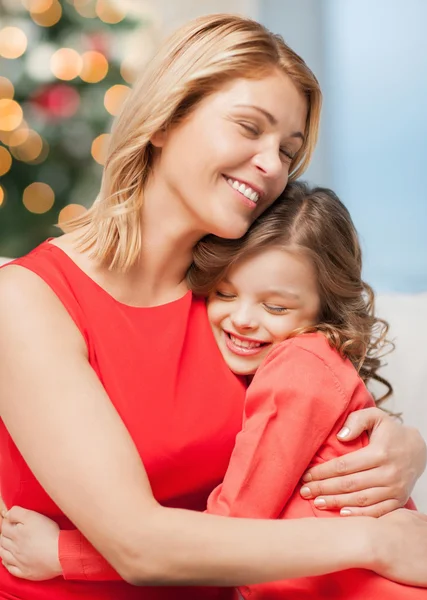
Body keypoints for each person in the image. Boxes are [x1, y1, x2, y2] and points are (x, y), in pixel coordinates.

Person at [0, 13, 426, 600]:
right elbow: (138, 544)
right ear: (164, 121)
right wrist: (375, 540)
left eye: (288, 151)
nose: (272, 164)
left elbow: (316, 416)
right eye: (250, 127)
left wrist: (402, 450)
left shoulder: (240, 304)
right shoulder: (28, 302)